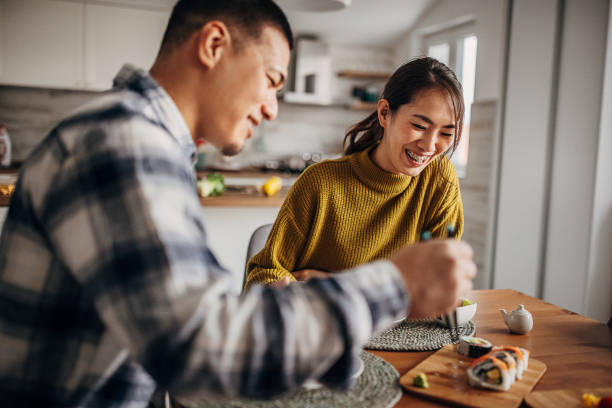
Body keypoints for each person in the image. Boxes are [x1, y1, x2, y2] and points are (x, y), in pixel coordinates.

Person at [0, 1, 476, 407]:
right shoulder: (123, 145)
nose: (272, 107)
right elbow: (204, 350)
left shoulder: (145, 143)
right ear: (213, 46)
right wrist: (392, 283)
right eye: (271, 79)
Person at [245, 57, 465, 290]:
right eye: (419, 126)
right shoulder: (320, 183)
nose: (430, 146)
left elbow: (436, 282)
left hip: (404, 326)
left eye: (446, 133)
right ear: (384, 113)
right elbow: (263, 276)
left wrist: (334, 284)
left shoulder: (440, 179)